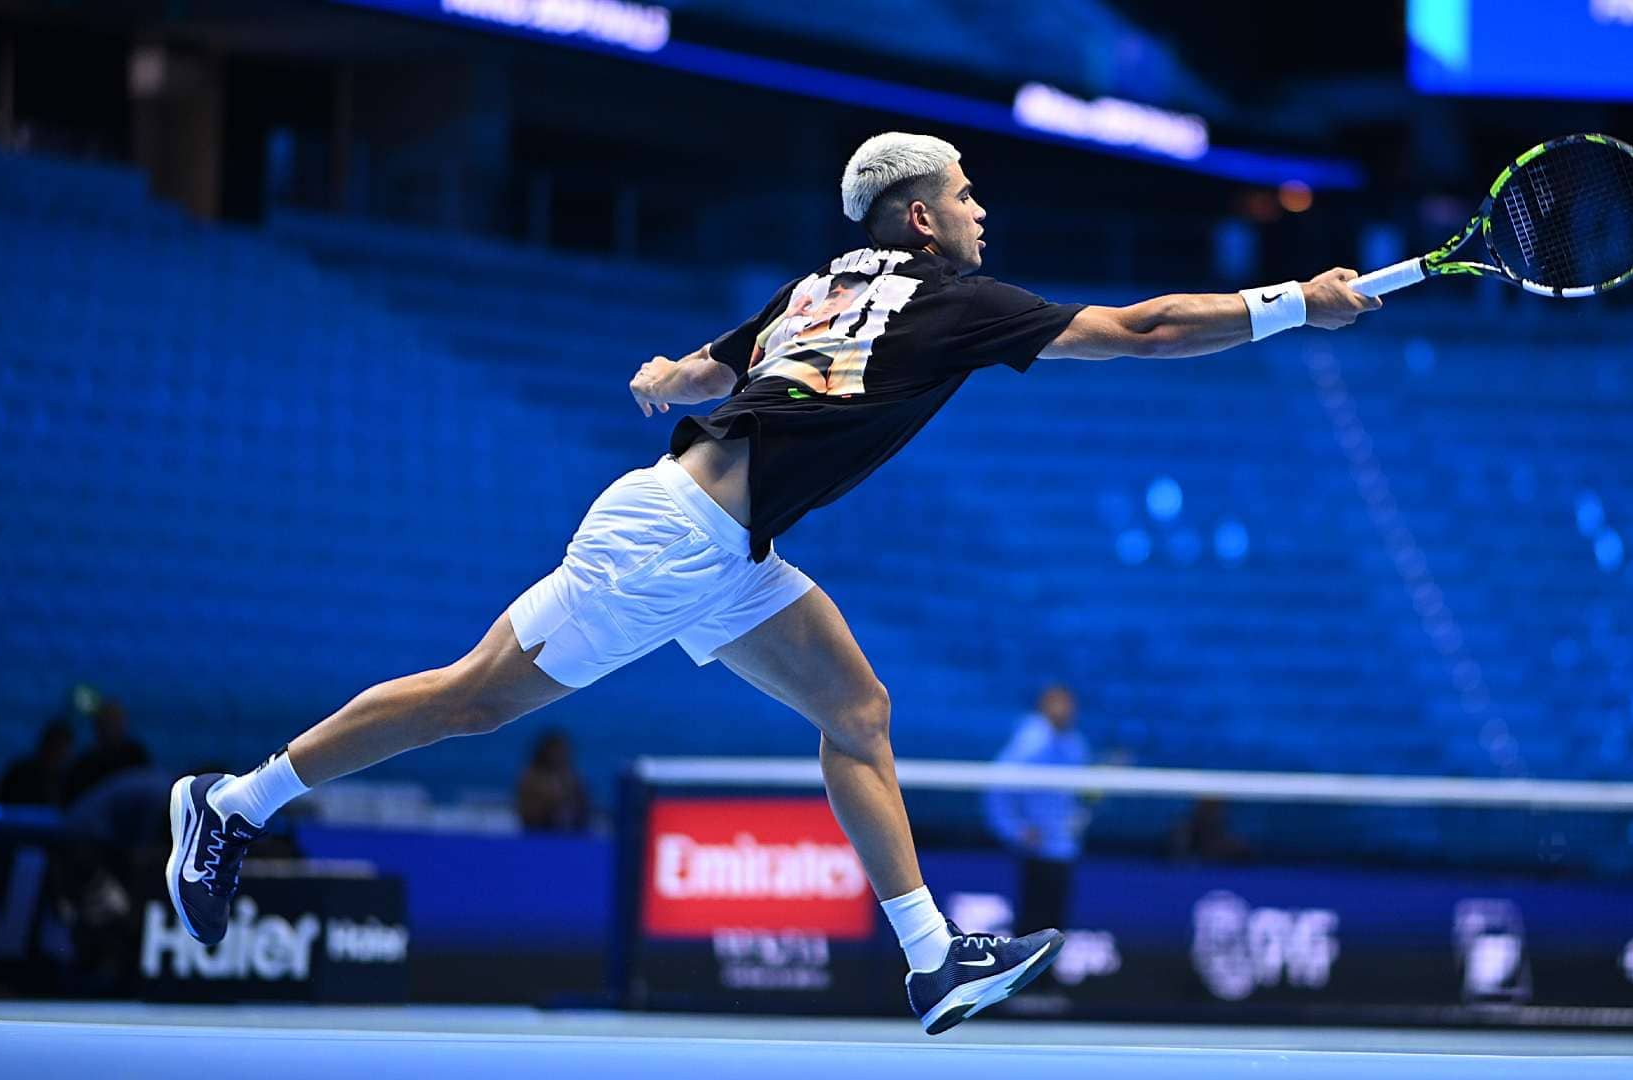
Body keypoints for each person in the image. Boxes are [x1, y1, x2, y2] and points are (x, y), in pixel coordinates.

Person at [165, 131, 1379, 1034]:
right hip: (671, 540)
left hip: (723, 548)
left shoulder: (820, 285)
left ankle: (931, 957)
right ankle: (235, 804)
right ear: (916, 219)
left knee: (858, 712)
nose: (979, 211)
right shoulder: (952, 301)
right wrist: (1291, 307)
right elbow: (1151, 329)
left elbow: (705, 372)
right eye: (962, 194)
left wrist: (658, 377)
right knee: (469, 699)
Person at [984, 685, 1090, 937]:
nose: (1066, 710)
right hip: (1037, 849)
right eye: (1059, 704)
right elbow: (998, 790)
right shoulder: (1030, 742)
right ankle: (1029, 976)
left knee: (1057, 924)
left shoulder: (1075, 744)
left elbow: (1079, 795)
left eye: (1069, 704)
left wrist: (1079, 817)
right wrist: (1014, 829)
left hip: (1064, 849)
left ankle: (1048, 976)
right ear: (1044, 707)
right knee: (1033, 924)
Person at [65, 698, 151, 804]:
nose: (111, 727)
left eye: (115, 720)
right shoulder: (85, 764)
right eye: (108, 721)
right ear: (97, 726)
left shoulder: (136, 755)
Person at [516, 729, 592, 832]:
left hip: (571, 831)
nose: (558, 755)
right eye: (555, 751)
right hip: (537, 829)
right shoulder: (531, 777)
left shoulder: (570, 775)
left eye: (561, 751)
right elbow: (527, 810)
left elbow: (582, 803)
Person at [0, 719, 75, 806]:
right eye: (55, 745)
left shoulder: (66, 780)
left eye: (62, 747)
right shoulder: (22, 773)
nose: (57, 751)